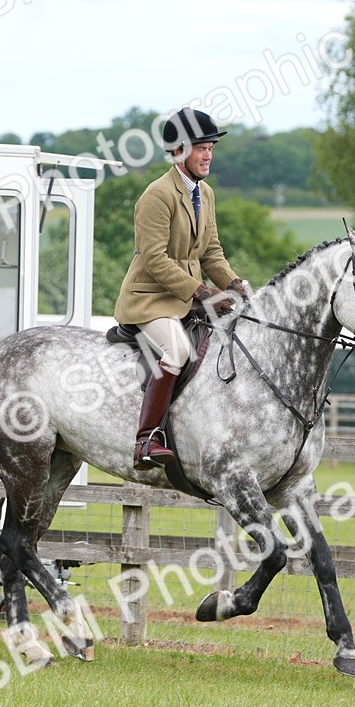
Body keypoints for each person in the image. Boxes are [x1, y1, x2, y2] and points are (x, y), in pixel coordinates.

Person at [113, 107, 250, 470]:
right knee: (176, 349)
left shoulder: (205, 193)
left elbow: (212, 252)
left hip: (186, 298)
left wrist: (234, 285)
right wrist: (202, 293)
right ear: (178, 152)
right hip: (150, 299)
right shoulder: (157, 195)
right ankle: (145, 441)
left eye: (210, 148)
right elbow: (154, 258)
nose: (207, 155)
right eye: (200, 148)